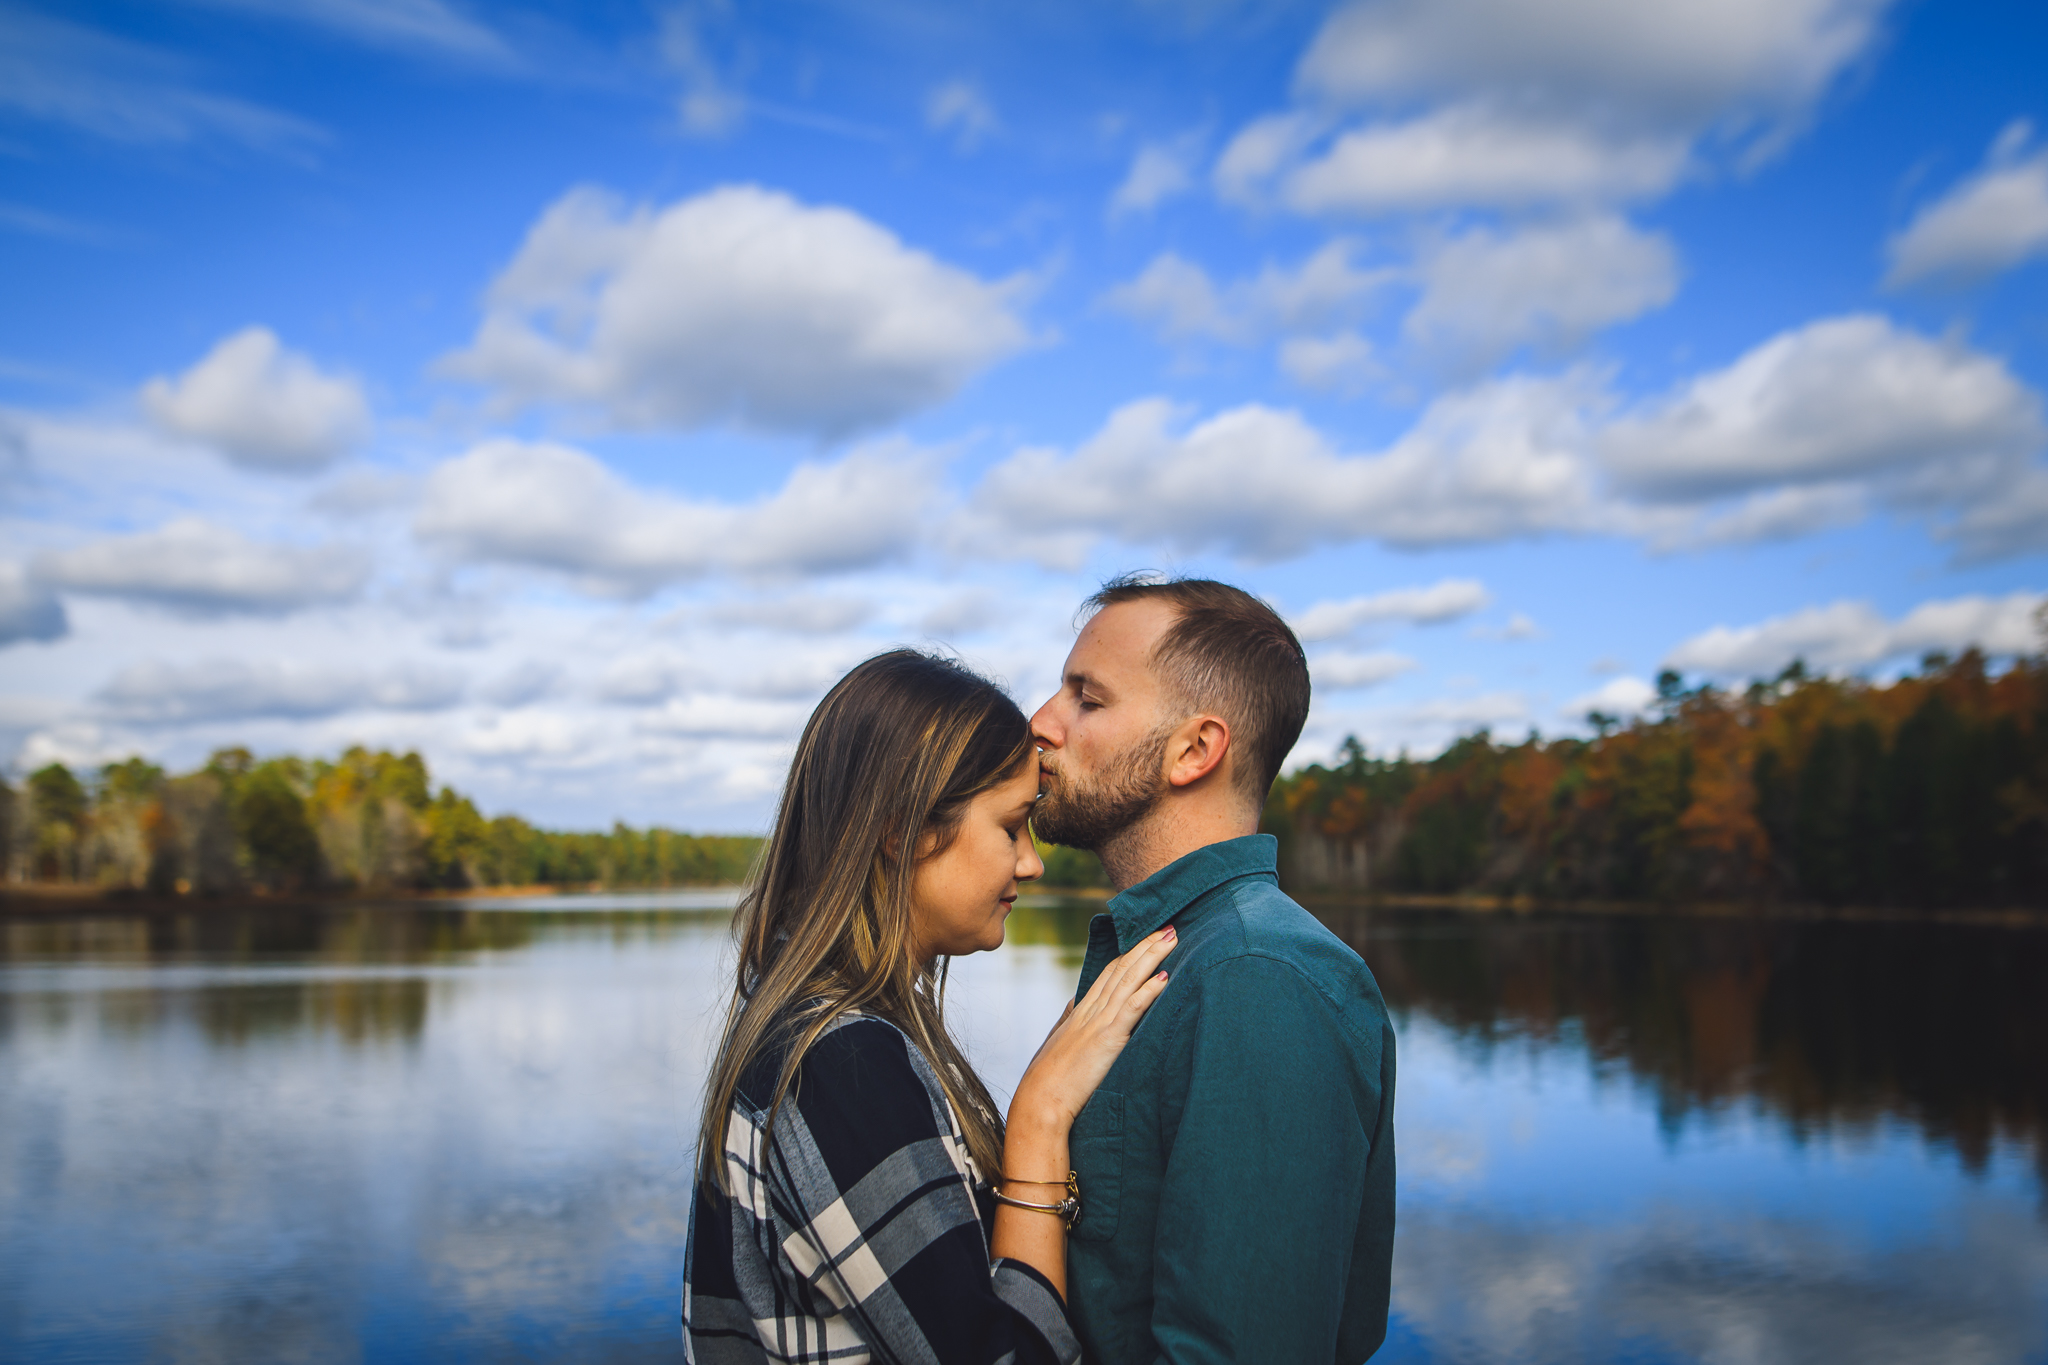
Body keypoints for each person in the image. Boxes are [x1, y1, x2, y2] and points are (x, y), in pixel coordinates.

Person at [682, 648, 1177, 1365]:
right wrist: (1039, 1119)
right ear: (901, 830)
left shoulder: (823, 1030)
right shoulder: (840, 1065)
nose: (1031, 861)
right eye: (1011, 826)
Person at [1030, 575, 1397, 1364]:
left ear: (1195, 750)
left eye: (1086, 700)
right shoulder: (1172, 956)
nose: (1041, 723)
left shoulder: (1256, 977)